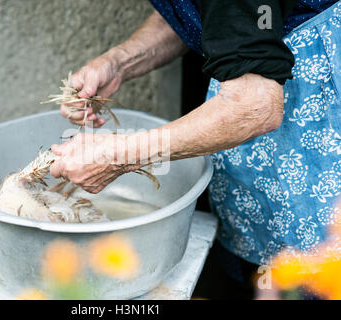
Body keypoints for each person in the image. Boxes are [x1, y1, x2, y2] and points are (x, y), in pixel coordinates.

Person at [49, 0, 340, 295]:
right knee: (263, 267)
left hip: (314, 123)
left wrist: (118, 157)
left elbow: (255, 105)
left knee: (314, 273)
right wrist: (119, 62)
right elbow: (200, 13)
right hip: (258, 131)